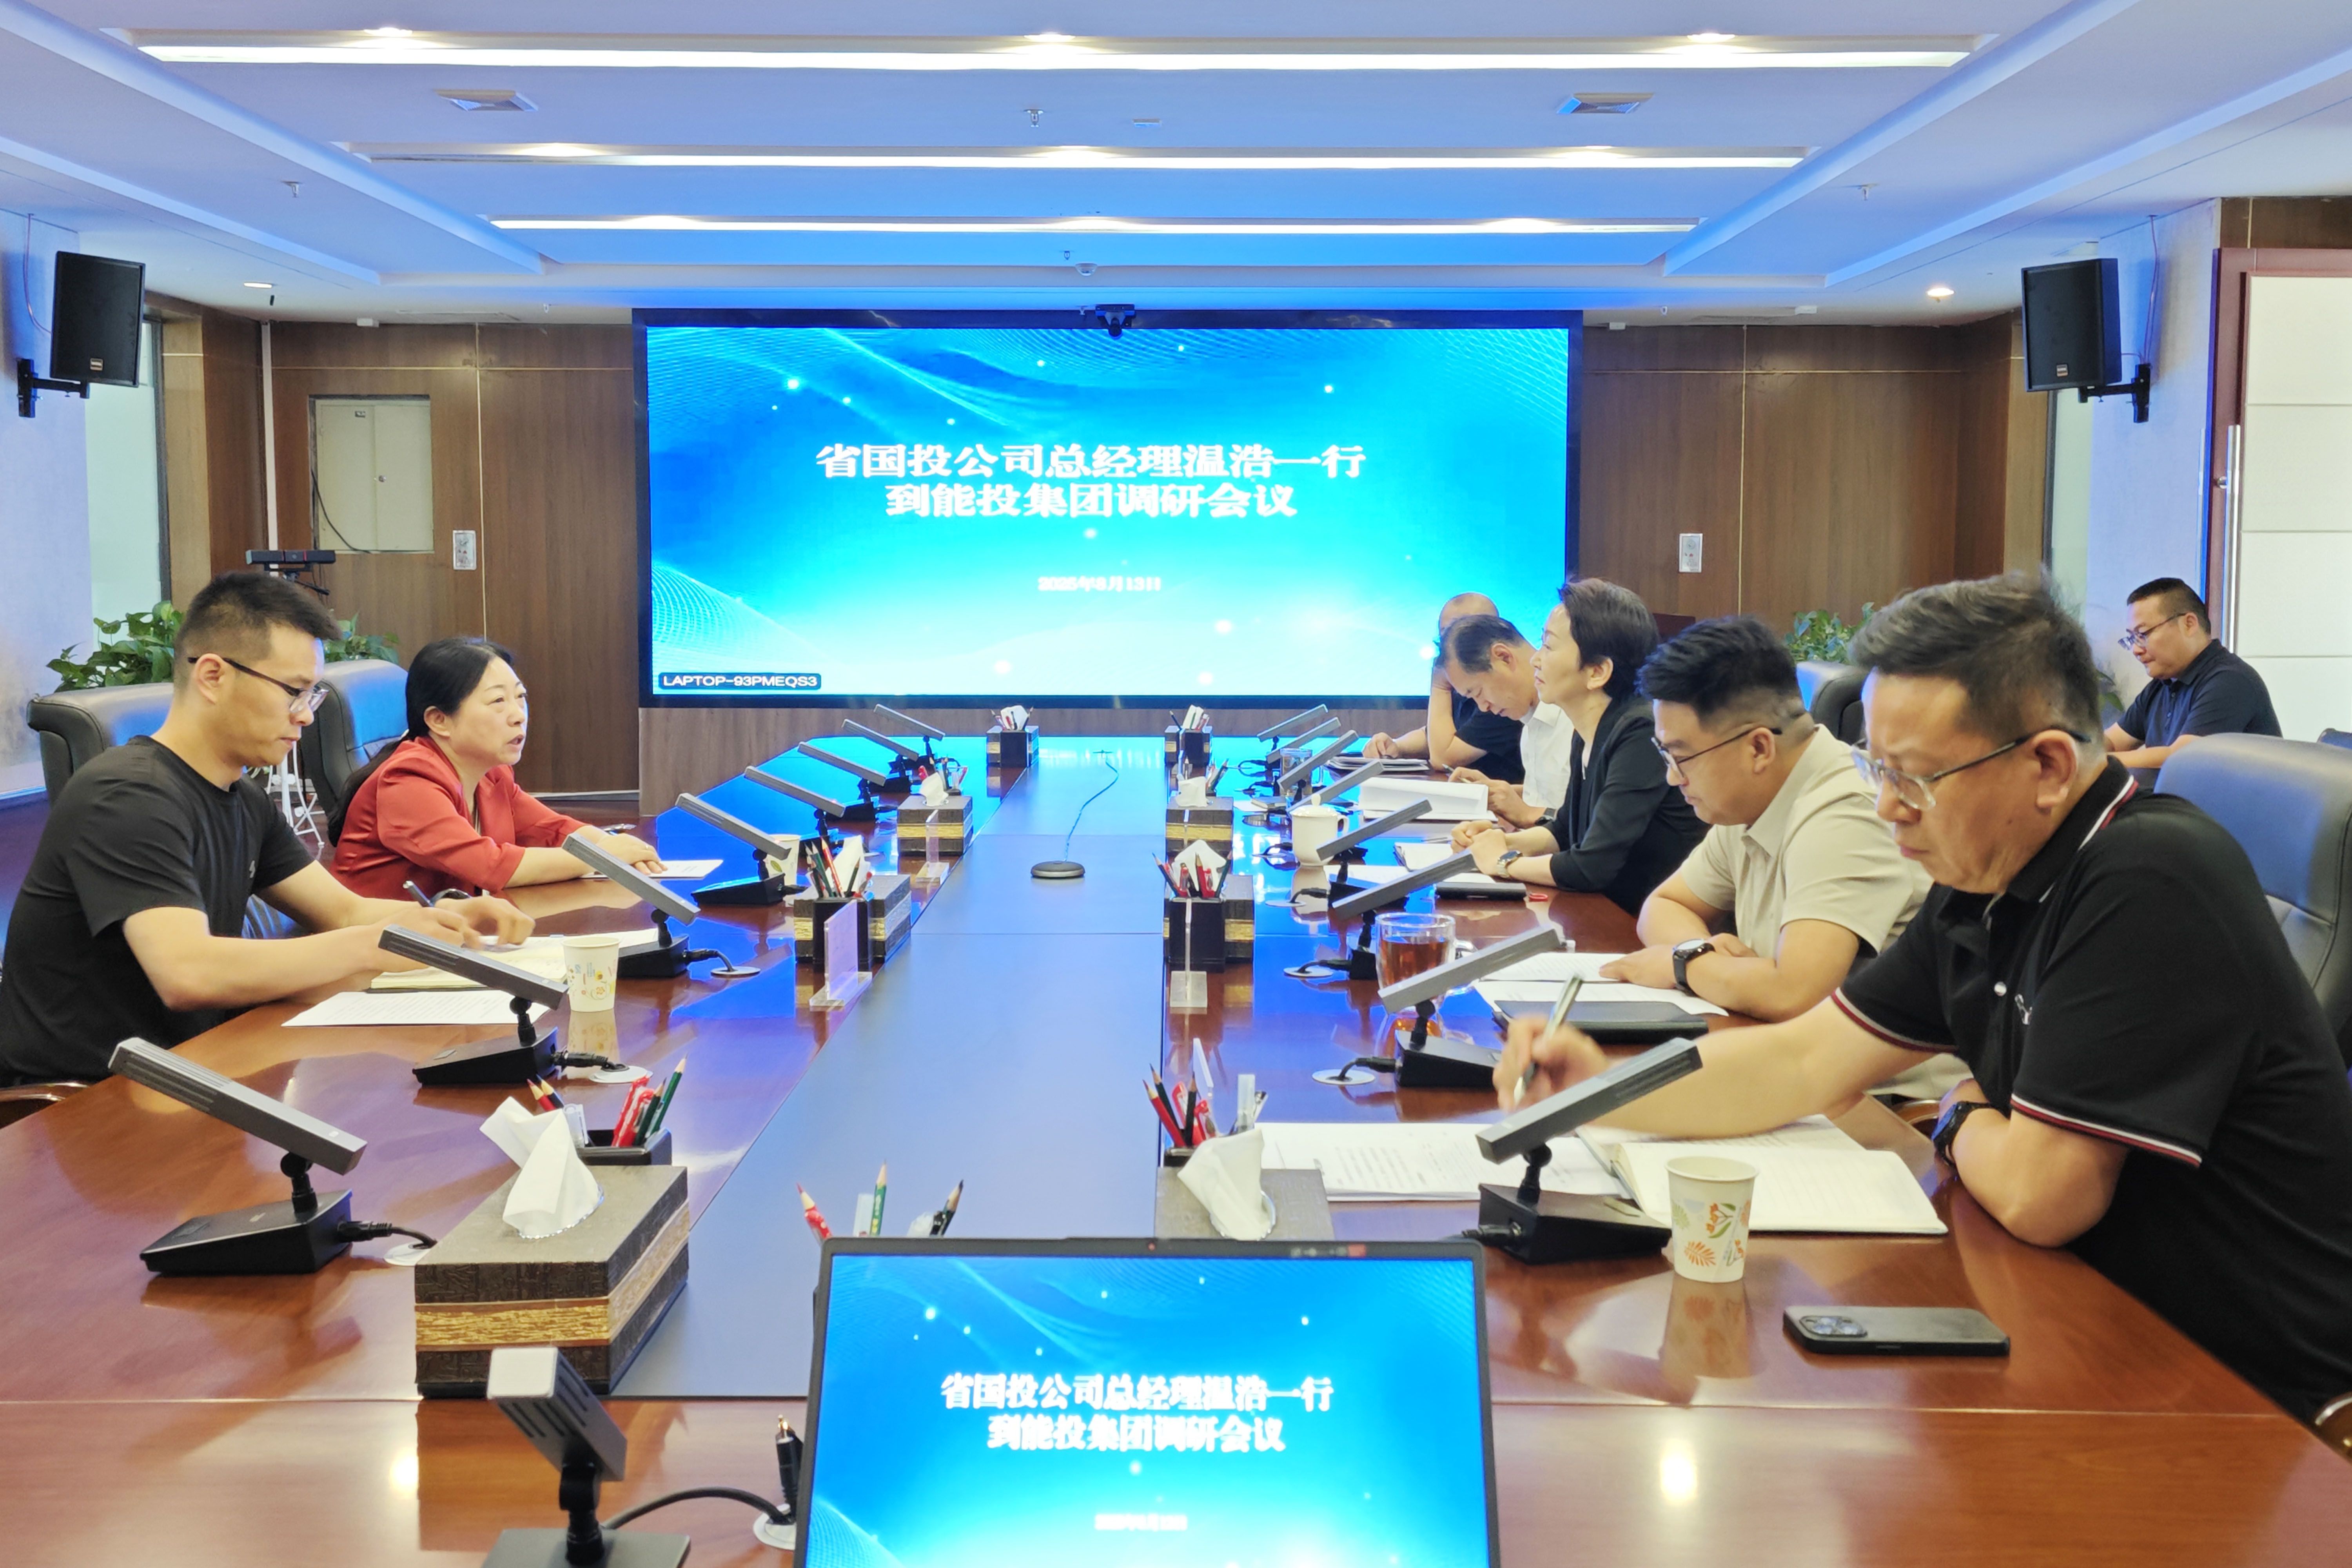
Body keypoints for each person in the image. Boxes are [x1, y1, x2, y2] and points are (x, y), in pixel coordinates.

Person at [1497, 575, 2352, 1422]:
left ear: (2048, 765)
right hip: (2085, 1320)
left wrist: (1958, 1111)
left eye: (1913, 777)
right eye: (1877, 768)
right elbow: (1802, 1060)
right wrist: (1594, 1087)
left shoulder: (2148, 877)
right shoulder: (1984, 877)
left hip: (2247, 1393)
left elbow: (2043, 1196)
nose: (1886, 807)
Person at [0, 572, 531, 1086]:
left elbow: (345, 912)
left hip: (198, 1066)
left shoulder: (242, 797)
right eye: (294, 692)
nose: (305, 716)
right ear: (213, 676)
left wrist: (444, 917)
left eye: (312, 696)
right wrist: (376, 943)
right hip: (92, 1097)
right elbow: (189, 972)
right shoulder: (127, 795)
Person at [1603, 614, 1934, 1024]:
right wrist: (1704, 955)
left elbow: (1794, 993)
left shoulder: (1848, 809)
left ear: (1759, 748)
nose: (1673, 777)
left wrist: (1686, 965)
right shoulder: (1751, 800)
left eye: (1681, 756)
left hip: (1871, 1066)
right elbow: (1664, 905)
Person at [328, 637, 664, 901]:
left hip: (449, 937)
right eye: (498, 701)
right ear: (439, 720)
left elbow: (552, 829)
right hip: (379, 949)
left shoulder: (491, 772)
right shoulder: (408, 780)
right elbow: (490, 865)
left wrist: (615, 846)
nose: (519, 715)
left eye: (521, 697)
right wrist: (603, 856)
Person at [1456, 580, 1705, 914]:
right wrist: (1498, 842)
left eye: (1549, 646)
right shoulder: (1589, 729)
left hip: (1646, 921)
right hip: (1611, 912)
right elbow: (1564, 830)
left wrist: (1503, 863)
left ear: (1597, 672)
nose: (1536, 660)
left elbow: (1591, 866)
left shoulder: (1640, 732)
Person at [2104, 576, 2278, 771]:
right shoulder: (2163, 685)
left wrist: (2096, 763)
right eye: (2132, 638)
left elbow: (2182, 758)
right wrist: (2082, 749)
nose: (2136, 650)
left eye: (2143, 634)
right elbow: (2112, 741)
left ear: (2189, 624)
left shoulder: (2231, 681)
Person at [1429, 614, 1579, 822]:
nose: (1484, 707)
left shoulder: (1577, 717)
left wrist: (1526, 814)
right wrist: (1498, 793)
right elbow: (1553, 797)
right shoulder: (1530, 720)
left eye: (1479, 692)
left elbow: (1592, 819)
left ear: (1504, 657)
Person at [1363, 592, 1525, 783]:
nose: (1451, 647)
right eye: (1445, 638)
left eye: (1462, 637)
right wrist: (1396, 746)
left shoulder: (1501, 693)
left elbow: (1443, 759)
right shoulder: (1466, 684)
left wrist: (1439, 685)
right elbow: (1435, 736)